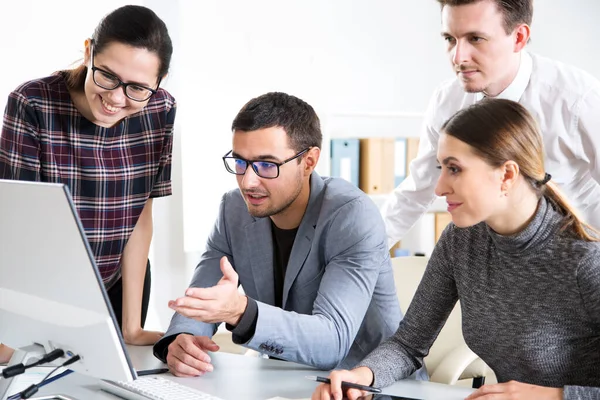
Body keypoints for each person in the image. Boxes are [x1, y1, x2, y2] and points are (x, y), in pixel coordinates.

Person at [312, 99, 600, 400]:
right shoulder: (461, 240)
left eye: (454, 169)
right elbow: (408, 344)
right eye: (441, 168)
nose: (439, 188)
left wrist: (550, 397)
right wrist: (361, 377)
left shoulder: (584, 260)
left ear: (507, 175)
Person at [153, 92, 422, 379]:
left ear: (308, 161)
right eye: (240, 162)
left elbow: (332, 341)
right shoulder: (233, 209)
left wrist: (241, 311)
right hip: (285, 381)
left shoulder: (351, 216)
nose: (248, 181)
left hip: (370, 387)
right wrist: (182, 338)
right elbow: (203, 297)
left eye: (267, 165)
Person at [0, 5, 175, 347]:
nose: (115, 98)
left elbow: (140, 218)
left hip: (116, 285)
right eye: (107, 75)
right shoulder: (33, 103)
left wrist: (132, 329)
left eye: (137, 88)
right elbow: (18, 228)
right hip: (39, 287)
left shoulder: (161, 109)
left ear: (159, 82)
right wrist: (12, 332)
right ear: (88, 51)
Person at [383, 0, 600, 248]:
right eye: (450, 39)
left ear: (519, 37)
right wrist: (358, 251)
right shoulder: (447, 102)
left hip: (576, 253)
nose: (458, 57)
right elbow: (418, 189)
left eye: (475, 38)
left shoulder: (578, 100)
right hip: (493, 257)